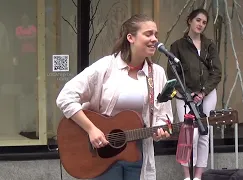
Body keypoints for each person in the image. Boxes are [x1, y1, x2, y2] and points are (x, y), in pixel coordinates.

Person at [56, 14, 173, 180]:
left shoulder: (157, 73)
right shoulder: (106, 66)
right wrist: (91, 129)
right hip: (102, 154)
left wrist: (161, 128)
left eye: (156, 34)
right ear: (130, 37)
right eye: (148, 34)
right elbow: (65, 97)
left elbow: (163, 113)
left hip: (137, 153)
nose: (154, 39)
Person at [167, 8, 222, 180]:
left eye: (204, 22)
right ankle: (186, 175)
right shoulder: (177, 46)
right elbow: (173, 73)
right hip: (184, 96)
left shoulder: (209, 45)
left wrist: (204, 91)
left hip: (207, 94)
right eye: (198, 20)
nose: (200, 24)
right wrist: (187, 94)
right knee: (189, 134)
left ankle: (198, 176)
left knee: (205, 132)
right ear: (189, 20)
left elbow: (217, 72)